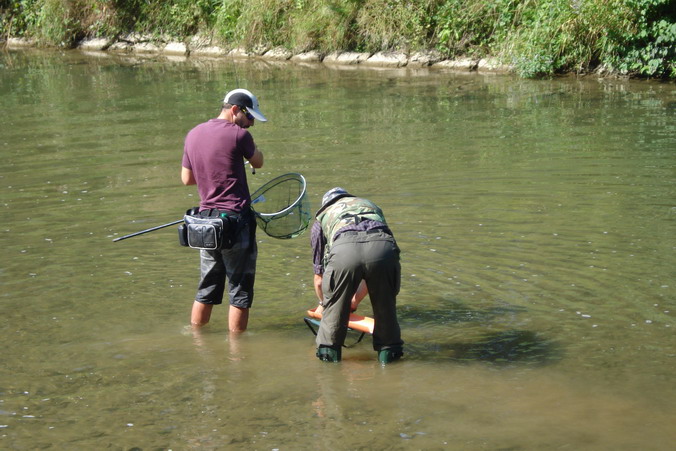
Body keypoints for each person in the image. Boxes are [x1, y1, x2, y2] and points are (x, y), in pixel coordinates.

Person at [181, 88, 267, 333]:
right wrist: (250, 150)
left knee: (206, 287)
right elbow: (258, 162)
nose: (251, 124)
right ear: (235, 110)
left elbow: (186, 179)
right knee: (240, 290)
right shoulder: (240, 136)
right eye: (249, 117)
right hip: (236, 221)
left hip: (205, 224)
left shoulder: (193, 134)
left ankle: (197, 338)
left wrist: (214, 173)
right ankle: (237, 352)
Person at [310, 187, 404, 363]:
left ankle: (330, 373)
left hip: (344, 250)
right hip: (383, 250)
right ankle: (390, 363)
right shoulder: (371, 207)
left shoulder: (321, 220)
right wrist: (353, 302)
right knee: (386, 311)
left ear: (326, 205)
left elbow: (319, 279)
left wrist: (326, 305)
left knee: (331, 320)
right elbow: (369, 268)